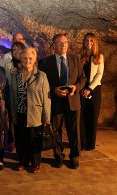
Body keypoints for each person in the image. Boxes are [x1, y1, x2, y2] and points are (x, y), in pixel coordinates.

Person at [40, 33, 86, 169]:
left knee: (74, 131)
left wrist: (75, 87)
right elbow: (42, 83)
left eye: (65, 42)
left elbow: (83, 79)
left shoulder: (75, 59)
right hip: (55, 101)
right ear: (54, 46)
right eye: (60, 43)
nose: (63, 45)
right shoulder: (45, 62)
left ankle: (75, 156)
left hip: (73, 100)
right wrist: (54, 90)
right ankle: (58, 156)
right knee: (56, 130)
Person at [11, 47, 51, 172]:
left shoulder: (41, 76)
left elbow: (47, 99)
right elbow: (13, 96)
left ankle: (35, 163)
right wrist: (13, 114)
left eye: (30, 58)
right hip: (20, 113)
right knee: (21, 139)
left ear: (34, 60)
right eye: (24, 58)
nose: (27, 60)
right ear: (20, 59)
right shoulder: (15, 75)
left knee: (34, 140)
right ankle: (22, 161)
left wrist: (47, 117)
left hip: (35, 114)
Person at [80, 33, 104, 151]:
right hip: (81, 90)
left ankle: (91, 144)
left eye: (91, 41)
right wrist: (82, 89)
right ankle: (83, 143)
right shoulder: (81, 57)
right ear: (84, 43)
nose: (88, 43)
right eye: (86, 41)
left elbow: (99, 75)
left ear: (94, 43)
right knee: (82, 117)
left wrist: (89, 89)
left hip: (94, 91)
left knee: (92, 117)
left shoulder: (99, 57)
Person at [5, 42, 26, 152]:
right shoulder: (9, 65)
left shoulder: (28, 63)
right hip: (11, 96)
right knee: (13, 120)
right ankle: (13, 141)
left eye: (19, 49)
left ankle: (23, 142)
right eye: (14, 50)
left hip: (25, 97)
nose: (17, 51)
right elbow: (7, 82)